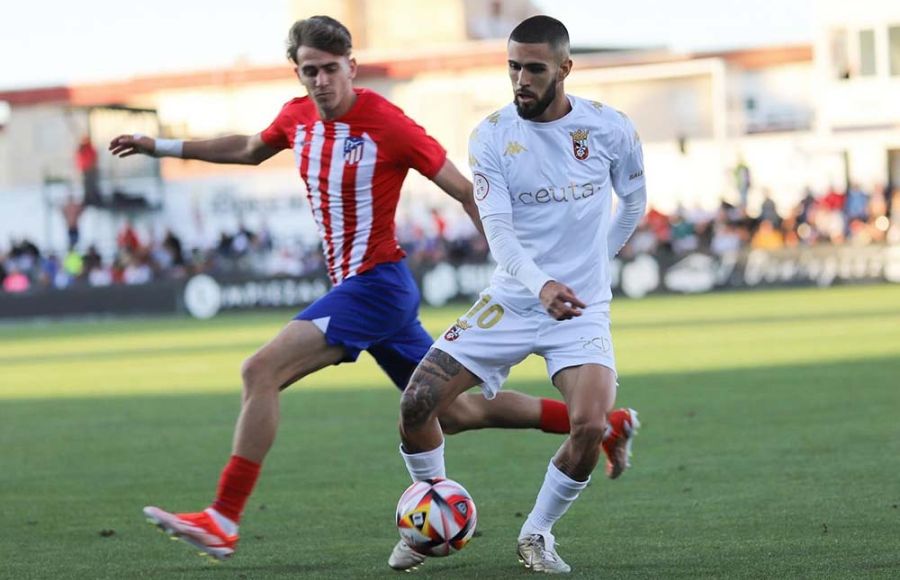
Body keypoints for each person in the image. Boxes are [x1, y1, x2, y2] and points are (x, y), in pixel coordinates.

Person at [108, 15, 575, 563]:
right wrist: (159, 146)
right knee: (450, 412)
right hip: (376, 294)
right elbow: (249, 148)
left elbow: (465, 191)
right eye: (311, 71)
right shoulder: (296, 117)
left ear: (351, 66)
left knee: (259, 371)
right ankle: (597, 424)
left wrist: (517, 268)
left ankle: (222, 518)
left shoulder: (387, 123)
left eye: (332, 69)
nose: (322, 81)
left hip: (375, 286)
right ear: (299, 73)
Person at [396, 15, 645, 574]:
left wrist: (591, 266)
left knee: (588, 424)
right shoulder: (491, 136)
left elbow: (631, 204)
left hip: (579, 307)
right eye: (513, 67)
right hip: (510, 299)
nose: (521, 80)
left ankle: (537, 535)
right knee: (416, 404)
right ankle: (431, 511)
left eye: (534, 68)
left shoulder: (611, 129)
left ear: (564, 68)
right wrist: (542, 284)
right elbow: (500, 235)